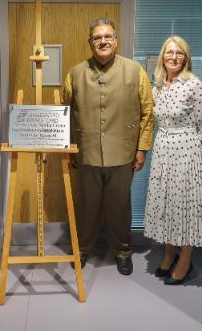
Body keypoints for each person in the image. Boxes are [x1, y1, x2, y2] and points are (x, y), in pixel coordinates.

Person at [62, 18, 154, 275]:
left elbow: (148, 113)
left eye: (107, 37)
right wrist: (69, 147)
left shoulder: (136, 71)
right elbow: (65, 112)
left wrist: (142, 148)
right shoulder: (75, 73)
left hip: (123, 154)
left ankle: (123, 251)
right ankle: (81, 249)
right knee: (86, 206)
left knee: (119, 206)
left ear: (116, 40)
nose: (102, 41)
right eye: (97, 38)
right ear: (90, 42)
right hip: (86, 153)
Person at [144, 35, 202, 285]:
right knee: (165, 203)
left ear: (186, 58)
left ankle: (185, 259)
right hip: (163, 150)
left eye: (180, 53)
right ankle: (168, 255)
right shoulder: (158, 86)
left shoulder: (193, 84)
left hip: (186, 152)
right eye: (169, 52)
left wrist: (195, 147)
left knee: (185, 206)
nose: (174, 57)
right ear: (162, 56)